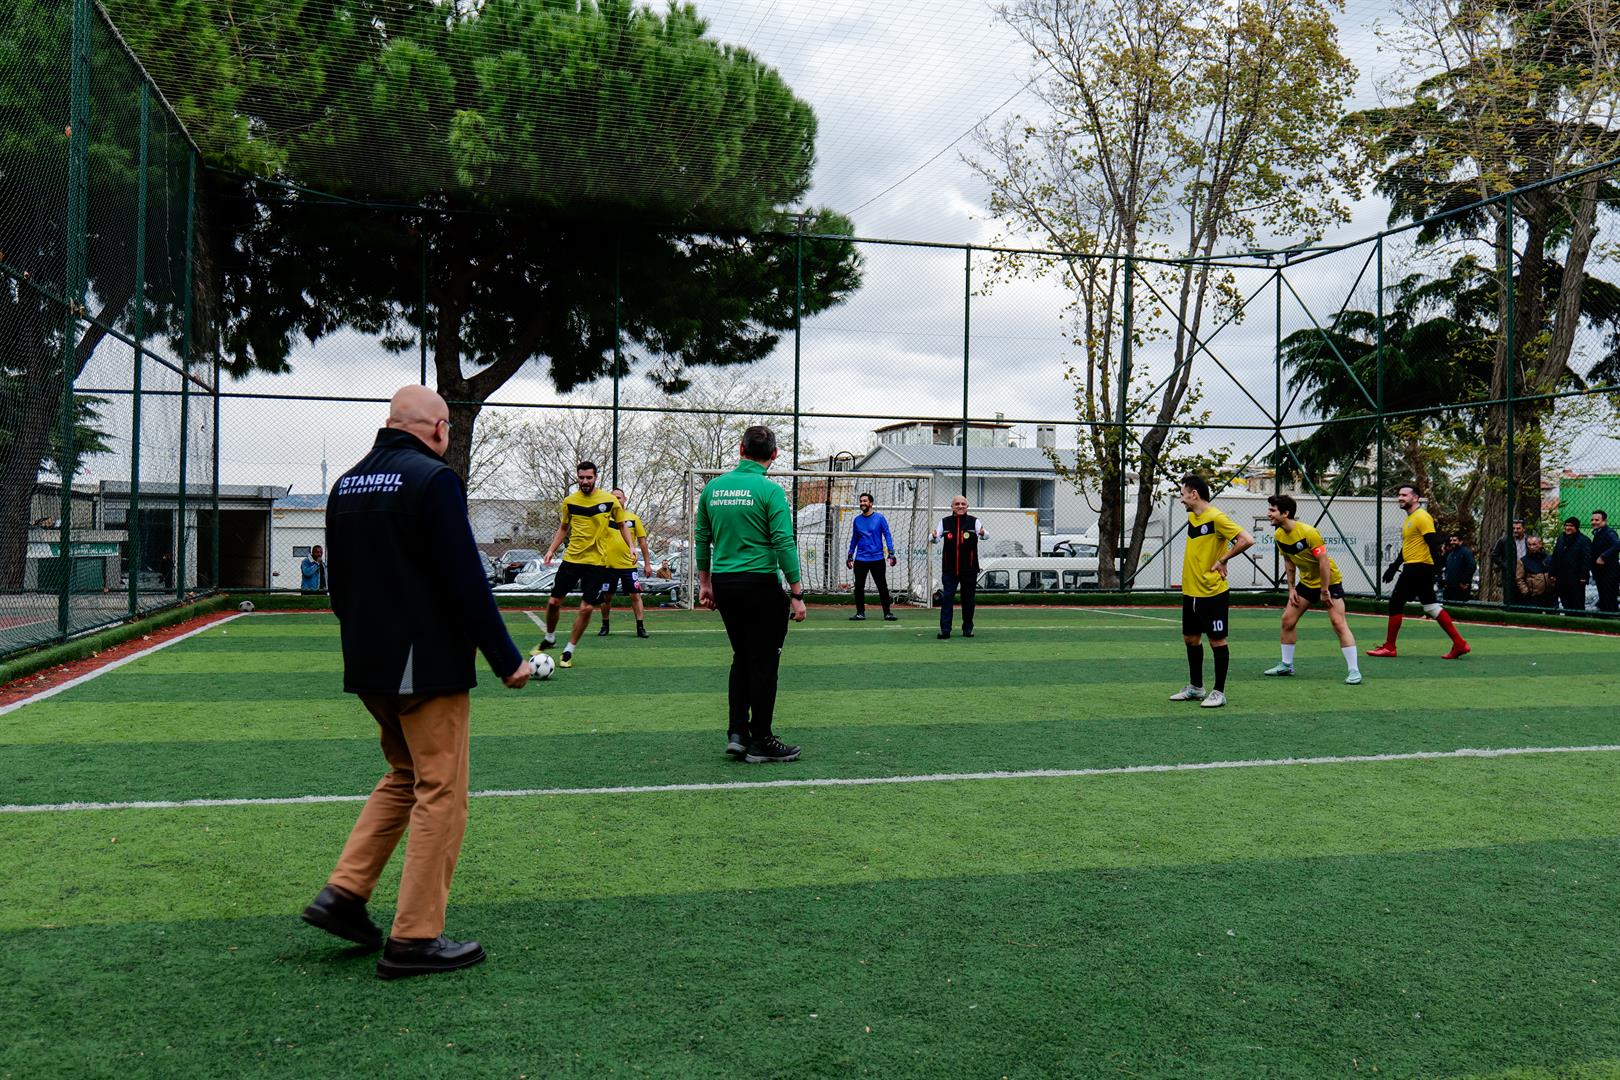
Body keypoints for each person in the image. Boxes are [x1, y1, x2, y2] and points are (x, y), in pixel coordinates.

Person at [303, 385, 529, 980]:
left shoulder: (345, 483)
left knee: (405, 774)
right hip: (422, 664)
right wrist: (507, 660)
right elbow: (466, 582)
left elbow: (339, 587)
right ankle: (415, 937)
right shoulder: (433, 480)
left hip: (368, 662)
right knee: (441, 790)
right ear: (437, 429)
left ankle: (344, 895)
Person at [695, 425, 807, 764]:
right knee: (766, 662)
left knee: (742, 657)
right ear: (774, 455)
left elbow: (702, 538)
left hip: (725, 583)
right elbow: (783, 542)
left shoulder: (713, 488)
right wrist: (797, 592)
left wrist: (705, 583)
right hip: (760, 583)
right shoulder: (770, 491)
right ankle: (761, 739)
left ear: (741, 449)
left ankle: (737, 734)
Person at [1169, 474, 1254, 708]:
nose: (1181, 499)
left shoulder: (1216, 517)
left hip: (1212, 592)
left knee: (1217, 640)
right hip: (1192, 591)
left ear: (1193, 494)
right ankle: (1196, 687)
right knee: (1190, 638)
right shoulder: (1195, 518)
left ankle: (1219, 692)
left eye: (1182, 494)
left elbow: (1247, 539)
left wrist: (1224, 559)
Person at [539, 462, 633, 668]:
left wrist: (631, 547)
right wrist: (551, 550)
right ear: (577, 478)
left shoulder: (609, 501)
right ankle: (550, 636)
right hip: (571, 559)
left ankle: (568, 651)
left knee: (587, 608)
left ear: (595, 478)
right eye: (581, 478)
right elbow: (563, 528)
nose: (585, 481)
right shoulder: (569, 501)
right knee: (554, 602)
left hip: (597, 563)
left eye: (588, 478)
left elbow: (622, 525)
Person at [1260, 494, 1360, 684]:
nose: (1269, 514)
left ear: (1286, 513)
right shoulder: (1279, 535)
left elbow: (1323, 562)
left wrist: (1324, 590)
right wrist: (1291, 589)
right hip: (1306, 583)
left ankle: (1354, 670)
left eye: (1272, 510)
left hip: (1329, 582)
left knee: (1338, 623)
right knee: (1287, 620)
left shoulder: (1309, 533)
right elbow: (1289, 561)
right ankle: (1286, 665)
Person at [1368, 483, 1471, 659]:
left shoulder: (1422, 517)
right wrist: (1394, 567)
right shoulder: (1409, 519)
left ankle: (1390, 647)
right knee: (1431, 607)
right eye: (1399, 495)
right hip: (1416, 566)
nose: (1400, 498)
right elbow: (1407, 547)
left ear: (1415, 498)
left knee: (1395, 603)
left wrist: (1437, 569)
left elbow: (1433, 543)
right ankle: (1460, 644)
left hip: (1418, 567)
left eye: (1404, 495)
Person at [594, 487, 654, 638]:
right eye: (613, 497)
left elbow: (643, 543)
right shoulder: (604, 519)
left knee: (635, 595)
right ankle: (605, 625)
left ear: (624, 499)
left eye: (619, 497)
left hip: (629, 566)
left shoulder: (633, 518)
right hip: (607, 566)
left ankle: (640, 627)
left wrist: (647, 564)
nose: (616, 500)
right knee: (606, 597)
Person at [931, 495, 986, 639]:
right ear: (952, 507)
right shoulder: (945, 522)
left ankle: (968, 628)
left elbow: (985, 535)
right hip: (949, 569)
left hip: (969, 569)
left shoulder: (974, 521)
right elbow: (935, 539)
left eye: (963, 504)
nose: (960, 506)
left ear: (967, 507)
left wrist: (983, 533)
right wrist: (933, 536)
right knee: (947, 599)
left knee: (968, 599)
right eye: (957, 504)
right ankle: (945, 630)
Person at [846, 492, 899, 622]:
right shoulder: (857, 520)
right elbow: (855, 538)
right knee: (859, 586)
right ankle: (860, 613)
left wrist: (891, 552)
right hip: (861, 559)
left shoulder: (880, 518)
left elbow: (887, 535)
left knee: (882, 586)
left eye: (865, 501)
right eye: (861, 501)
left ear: (871, 503)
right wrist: (850, 555)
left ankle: (887, 613)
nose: (862, 503)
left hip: (877, 559)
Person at [1549, 517, 1590, 613]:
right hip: (1561, 578)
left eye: (1571, 526)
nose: (1568, 528)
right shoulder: (1561, 538)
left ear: (1576, 527)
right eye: (1566, 525)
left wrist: (1583, 576)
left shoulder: (1584, 540)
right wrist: (1552, 573)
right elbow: (1555, 556)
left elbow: (1586, 560)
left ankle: (1579, 624)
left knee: (1577, 604)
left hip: (1576, 579)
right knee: (1565, 602)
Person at [1515, 535, 1557, 608]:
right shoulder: (1523, 561)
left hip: (1550, 594)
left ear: (1540, 544)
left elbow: (1555, 572)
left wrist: (1555, 586)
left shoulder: (1548, 558)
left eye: (1534, 544)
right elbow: (1519, 578)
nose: (1531, 547)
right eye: (1529, 544)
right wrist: (1526, 592)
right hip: (1534, 596)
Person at [1492, 519, 1526, 601]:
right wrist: (1505, 565)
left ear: (1523, 529)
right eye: (1513, 528)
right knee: (1510, 598)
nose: (1515, 531)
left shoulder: (1528, 541)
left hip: (1526, 572)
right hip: (1510, 574)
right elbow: (1495, 555)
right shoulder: (1504, 540)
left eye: (1518, 528)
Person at [1593, 510, 1620, 613]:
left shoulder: (1609, 533)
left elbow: (1617, 545)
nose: (1593, 522)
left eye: (1597, 520)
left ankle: (1612, 622)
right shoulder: (1598, 533)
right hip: (1601, 573)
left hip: (1610, 573)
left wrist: (1603, 556)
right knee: (1604, 599)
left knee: (1609, 599)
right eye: (1592, 520)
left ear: (1604, 521)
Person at [1441, 534, 1476, 603]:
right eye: (1451, 540)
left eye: (1455, 540)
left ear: (1460, 542)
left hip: (1460, 587)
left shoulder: (1466, 552)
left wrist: (1464, 581)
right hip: (1449, 587)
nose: (1452, 542)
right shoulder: (1450, 554)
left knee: (1459, 607)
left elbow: (1472, 566)